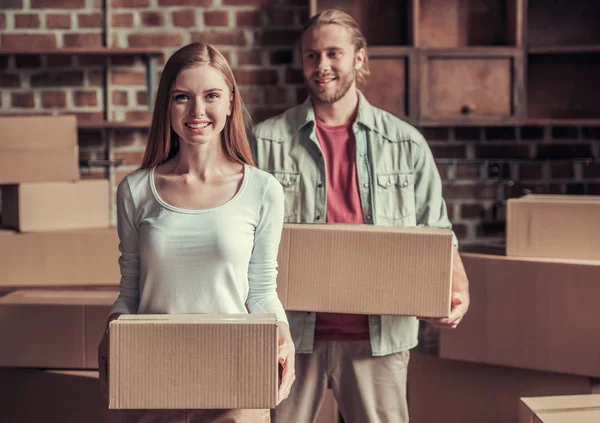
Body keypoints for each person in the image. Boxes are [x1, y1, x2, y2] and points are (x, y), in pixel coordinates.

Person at [252, 9, 470, 423]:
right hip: (289, 337)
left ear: (359, 57)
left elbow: (439, 232)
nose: (322, 67)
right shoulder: (265, 142)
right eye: (311, 56)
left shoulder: (406, 144)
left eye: (334, 53)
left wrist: (459, 290)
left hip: (380, 338)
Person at [97, 42, 295, 423]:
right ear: (166, 106)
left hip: (236, 379)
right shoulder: (136, 190)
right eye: (182, 97)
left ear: (231, 104)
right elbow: (131, 290)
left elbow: (262, 289)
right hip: (152, 380)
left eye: (211, 96)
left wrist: (283, 336)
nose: (197, 111)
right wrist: (110, 333)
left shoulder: (262, 189)